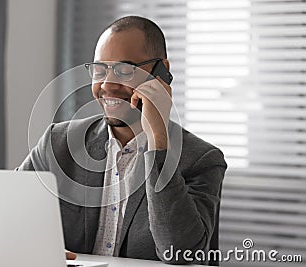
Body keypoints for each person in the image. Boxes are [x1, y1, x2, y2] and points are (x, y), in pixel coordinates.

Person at [17, 16, 227, 265]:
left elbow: (181, 254)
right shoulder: (57, 143)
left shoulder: (201, 159)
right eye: (99, 70)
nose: (107, 84)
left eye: (124, 70)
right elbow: (6, 215)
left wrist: (157, 142)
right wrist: (32, 248)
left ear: (161, 72)